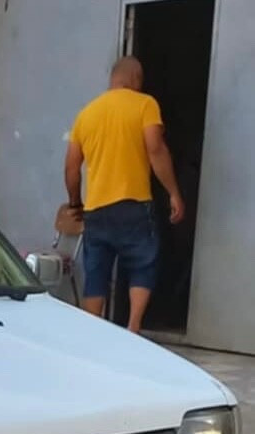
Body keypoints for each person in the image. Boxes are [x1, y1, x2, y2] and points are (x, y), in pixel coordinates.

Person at [64, 56, 185, 333]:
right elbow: (156, 149)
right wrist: (174, 193)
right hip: (133, 205)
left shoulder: (87, 113)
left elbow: (71, 167)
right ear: (136, 79)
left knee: (96, 273)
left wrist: (75, 202)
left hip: (96, 210)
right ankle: (133, 327)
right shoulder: (145, 104)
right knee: (143, 263)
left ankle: (92, 332)